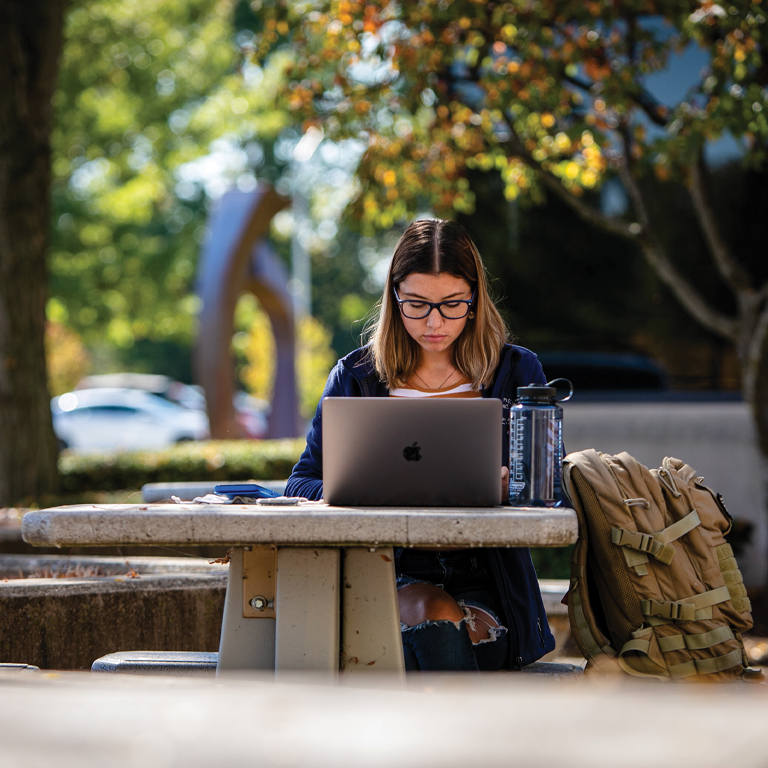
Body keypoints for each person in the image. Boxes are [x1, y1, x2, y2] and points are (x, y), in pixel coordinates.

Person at [286, 218, 555, 671]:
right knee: (436, 618)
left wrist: (514, 484)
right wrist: (360, 488)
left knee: (442, 645)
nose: (434, 322)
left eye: (452, 304)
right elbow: (301, 484)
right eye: (416, 304)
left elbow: (553, 489)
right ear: (394, 297)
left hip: (489, 576)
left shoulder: (515, 371)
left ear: (475, 299)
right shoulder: (357, 377)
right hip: (385, 568)